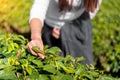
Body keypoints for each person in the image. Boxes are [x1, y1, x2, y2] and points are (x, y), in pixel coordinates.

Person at [27, 0, 102, 64]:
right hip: (52, 27)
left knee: (83, 65)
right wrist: (36, 37)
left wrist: (69, 30)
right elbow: (39, 6)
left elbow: (94, 6)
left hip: (78, 26)